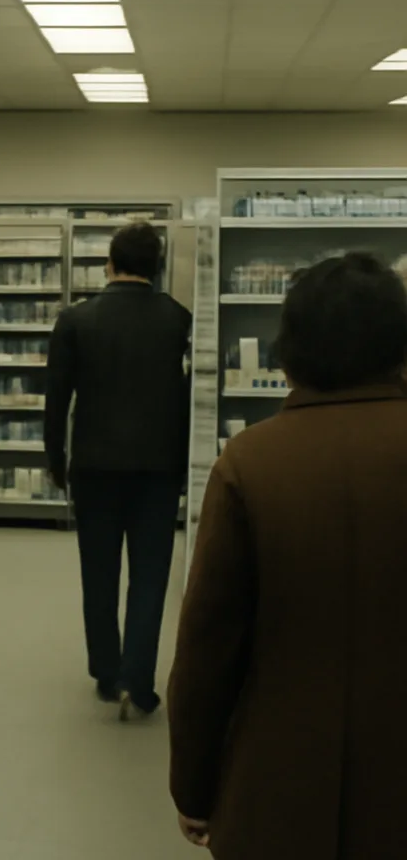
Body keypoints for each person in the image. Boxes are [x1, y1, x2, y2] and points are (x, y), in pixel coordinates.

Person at [169, 252, 407, 859]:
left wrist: (194, 785)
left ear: (288, 350)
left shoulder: (251, 461)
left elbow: (209, 645)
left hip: (278, 780)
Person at [44, 221, 191, 718]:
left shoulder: (76, 320)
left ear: (109, 263)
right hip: (158, 468)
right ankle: (138, 679)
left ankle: (106, 673)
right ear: (157, 267)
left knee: (99, 573)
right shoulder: (178, 320)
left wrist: (55, 460)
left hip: (95, 466)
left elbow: (56, 398)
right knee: (150, 577)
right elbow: (188, 400)